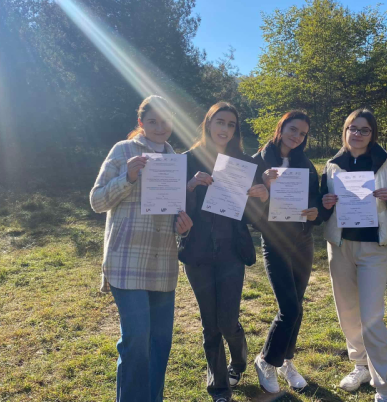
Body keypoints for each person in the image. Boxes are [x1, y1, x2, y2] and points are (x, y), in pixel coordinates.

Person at [90, 95, 193, 402]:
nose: (160, 127)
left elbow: (171, 211)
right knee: (136, 339)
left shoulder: (175, 158)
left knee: (160, 342)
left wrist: (181, 225)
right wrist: (129, 176)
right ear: (141, 123)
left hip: (162, 265)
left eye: (165, 121)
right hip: (127, 262)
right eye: (152, 121)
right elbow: (97, 201)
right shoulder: (123, 151)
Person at [178, 101, 268, 402]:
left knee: (228, 320)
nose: (225, 129)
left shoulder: (243, 162)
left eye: (231, 124)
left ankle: (240, 359)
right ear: (208, 123)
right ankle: (219, 387)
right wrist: (189, 187)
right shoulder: (187, 160)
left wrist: (261, 196)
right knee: (209, 323)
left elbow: (255, 217)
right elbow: (169, 206)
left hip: (231, 251)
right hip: (197, 252)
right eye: (220, 122)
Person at [319, 108, 387, 402]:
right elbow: (321, 212)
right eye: (352, 128)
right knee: (347, 313)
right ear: (344, 131)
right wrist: (326, 203)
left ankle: (383, 386)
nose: (357, 134)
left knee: (372, 316)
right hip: (340, 247)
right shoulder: (332, 165)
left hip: (373, 249)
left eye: (364, 129)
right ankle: (360, 366)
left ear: (373, 134)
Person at [251, 111, 321, 393]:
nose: (297, 136)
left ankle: (286, 362)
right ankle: (266, 360)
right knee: (288, 308)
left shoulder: (305, 164)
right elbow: (247, 212)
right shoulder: (258, 161)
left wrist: (316, 212)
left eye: (302, 133)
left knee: (298, 306)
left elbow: (316, 199)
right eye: (293, 129)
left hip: (303, 241)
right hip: (275, 241)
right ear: (281, 127)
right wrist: (265, 190)